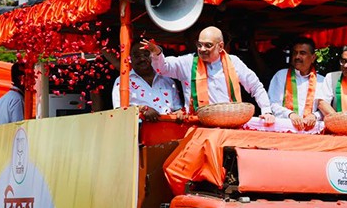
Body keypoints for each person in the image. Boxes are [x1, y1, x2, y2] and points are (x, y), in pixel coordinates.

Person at [142, 26, 275, 124]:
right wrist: (157, 53)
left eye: (208, 45)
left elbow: (256, 87)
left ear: (220, 46)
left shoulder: (234, 62)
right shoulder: (188, 62)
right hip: (198, 126)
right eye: (199, 45)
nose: (202, 49)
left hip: (230, 125)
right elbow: (163, 68)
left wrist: (266, 111)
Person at [112, 46, 183, 122]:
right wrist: (141, 108)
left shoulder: (168, 80)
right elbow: (119, 111)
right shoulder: (122, 81)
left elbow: (177, 109)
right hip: (137, 131)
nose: (142, 59)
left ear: (153, 56)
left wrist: (180, 113)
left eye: (146, 54)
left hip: (168, 130)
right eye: (137, 56)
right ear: (130, 58)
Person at [267, 38, 325, 131]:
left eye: (302, 53)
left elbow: (326, 108)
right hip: (284, 129)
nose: (297, 57)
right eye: (295, 53)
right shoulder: (281, 75)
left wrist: (315, 116)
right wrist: (290, 114)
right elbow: (272, 104)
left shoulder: (322, 81)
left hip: (312, 131)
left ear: (313, 57)